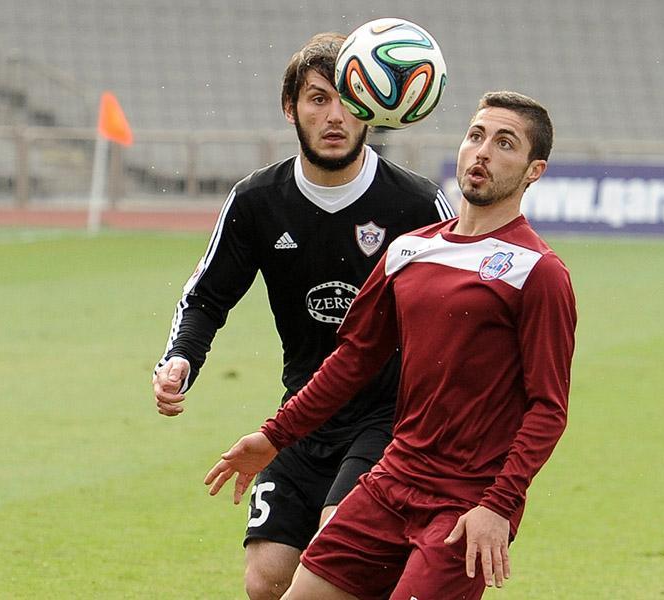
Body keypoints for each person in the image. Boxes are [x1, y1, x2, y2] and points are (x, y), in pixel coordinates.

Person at [204, 91, 577, 600]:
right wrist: (274, 436)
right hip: (391, 480)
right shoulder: (410, 250)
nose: (483, 152)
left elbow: (548, 409)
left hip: (465, 504)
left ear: (534, 171)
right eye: (476, 136)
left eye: (504, 143)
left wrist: (498, 505)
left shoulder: (538, 271)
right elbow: (351, 361)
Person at [152, 32, 455, 600]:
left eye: (348, 99)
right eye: (318, 99)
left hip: (390, 421)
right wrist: (180, 360)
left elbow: (461, 309)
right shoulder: (257, 201)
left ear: (372, 107)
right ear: (290, 108)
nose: (334, 115)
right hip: (303, 414)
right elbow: (207, 296)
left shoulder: (415, 204)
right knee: (266, 581)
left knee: (338, 560)